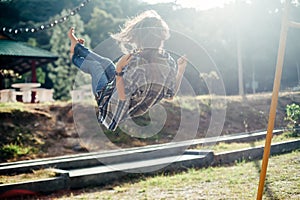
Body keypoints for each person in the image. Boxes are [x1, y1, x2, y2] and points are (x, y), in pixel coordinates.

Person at [68, 10, 187, 131]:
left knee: (96, 67)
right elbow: (171, 95)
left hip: (110, 102)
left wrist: (119, 71)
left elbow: (123, 99)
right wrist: (180, 70)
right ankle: (77, 47)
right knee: (107, 63)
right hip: (117, 91)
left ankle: (73, 55)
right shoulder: (169, 62)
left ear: (140, 39)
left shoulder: (137, 65)